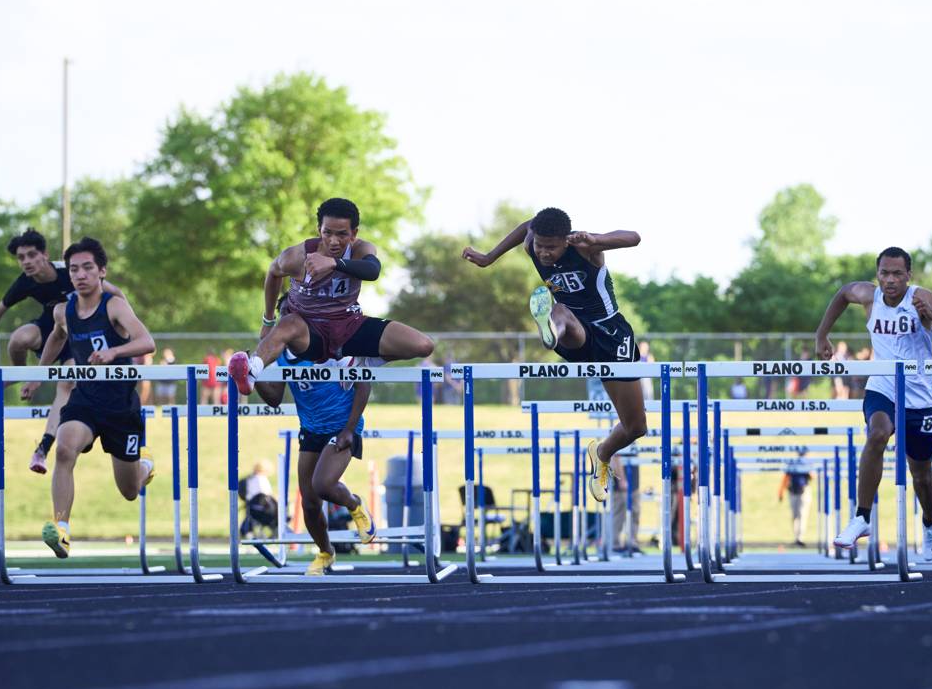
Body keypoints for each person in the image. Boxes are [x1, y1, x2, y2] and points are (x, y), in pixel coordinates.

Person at [462, 207, 647, 503]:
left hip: (611, 332)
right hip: (576, 331)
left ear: (566, 241)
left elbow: (634, 238)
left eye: (551, 247)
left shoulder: (585, 247)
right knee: (561, 310)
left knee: (636, 427)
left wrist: (596, 238)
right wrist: (488, 258)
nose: (544, 254)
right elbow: (526, 226)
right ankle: (551, 330)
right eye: (540, 247)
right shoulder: (532, 244)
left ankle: (602, 453)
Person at [815, 246, 932, 561]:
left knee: (921, 474)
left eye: (897, 274)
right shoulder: (869, 297)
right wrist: (822, 335)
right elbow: (844, 293)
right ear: (878, 274)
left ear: (908, 275)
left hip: (920, 394)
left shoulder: (922, 296)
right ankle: (862, 517)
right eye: (884, 273)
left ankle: (929, 523)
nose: (890, 280)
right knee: (877, 434)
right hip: (883, 385)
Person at [229, 198, 434, 395]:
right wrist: (267, 319)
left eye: (342, 234)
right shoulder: (297, 257)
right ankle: (251, 371)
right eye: (327, 233)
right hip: (308, 331)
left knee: (423, 345)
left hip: (348, 325)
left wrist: (335, 263)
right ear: (319, 230)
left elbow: (373, 270)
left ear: (354, 234)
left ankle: (362, 362)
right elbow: (273, 273)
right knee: (289, 321)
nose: (333, 241)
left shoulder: (361, 249)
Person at [0, 228, 123, 475]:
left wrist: (125, 326)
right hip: (51, 329)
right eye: (21, 257)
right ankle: (24, 376)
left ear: (45, 255)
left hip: (76, 338)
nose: (26, 261)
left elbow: (115, 292)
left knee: (66, 381)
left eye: (31, 255)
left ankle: (43, 448)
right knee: (18, 339)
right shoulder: (24, 282)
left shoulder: (68, 271)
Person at [35, 238, 156, 558]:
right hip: (85, 400)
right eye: (74, 269)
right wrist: (37, 376)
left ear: (102, 271)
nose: (80, 274)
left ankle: (144, 468)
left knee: (129, 491)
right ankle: (61, 531)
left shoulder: (114, 305)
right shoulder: (64, 311)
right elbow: (55, 338)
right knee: (64, 448)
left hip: (120, 405)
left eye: (88, 267)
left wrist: (114, 351)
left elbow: (147, 342)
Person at [254, 292, 377, 575]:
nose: (288, 321)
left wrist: (349, 429)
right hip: (310, 430)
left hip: (342, 425)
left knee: (323, 485)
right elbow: (274, 398)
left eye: (293, 314)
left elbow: (363, 384)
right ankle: (325, 553)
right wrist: (252, 372)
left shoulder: (329, 344)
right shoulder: (280, 355)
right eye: (283, 315)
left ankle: (355, 505)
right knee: (309, 502)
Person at [778, 449, 814, 547]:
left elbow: (812, 476)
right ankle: (796, 537)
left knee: (802, 515)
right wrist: (780, 492)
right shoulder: (793, 464)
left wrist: (807, 467)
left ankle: (800, 538)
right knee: (795, 516)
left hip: (803, 491)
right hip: (793, 491)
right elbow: (786, 478)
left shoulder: (807, 464)